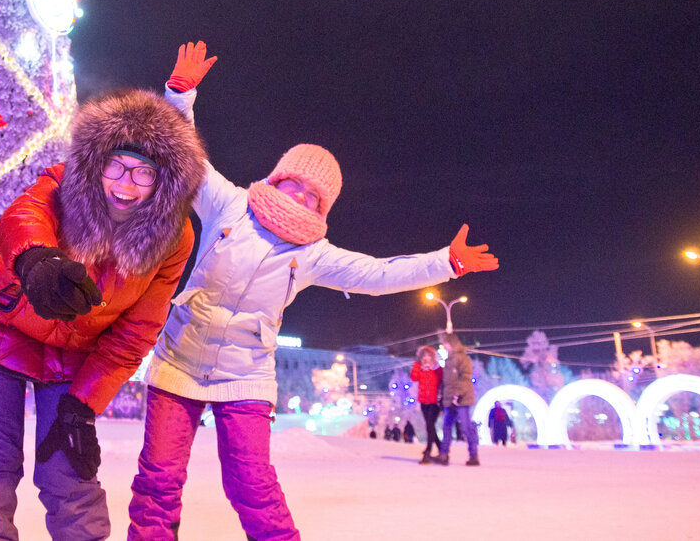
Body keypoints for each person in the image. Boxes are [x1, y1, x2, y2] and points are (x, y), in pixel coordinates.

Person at [127, 42, 500, 540]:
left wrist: (445, 263)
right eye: (296, 185)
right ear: (279, 178)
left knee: (252, 487)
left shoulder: (314, 254)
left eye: (314, 196)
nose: (301, 198)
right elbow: (183, 155)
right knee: (159, 481)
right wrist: (180, 94)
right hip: (178, 361)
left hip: (246, 379)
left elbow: (378, 274)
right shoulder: (228, 205)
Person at [0, 88, 207, 541]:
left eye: (144, 173)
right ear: (97, 162)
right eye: (116, 166)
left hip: (74, 357)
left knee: (68, 474)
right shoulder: (65, 182)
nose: (125, 186)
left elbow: (136, 332)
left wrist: (82, 405)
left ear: (164, 181)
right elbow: (22, 214)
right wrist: (37, 262)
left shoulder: (174, 236)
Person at [432, 331, 480, 466]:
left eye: (446, 343)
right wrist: (442, 396)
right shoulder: (448, 360)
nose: (444, 346)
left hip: (462, 399)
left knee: (466, 427)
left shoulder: (463, 358)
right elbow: (447, 381)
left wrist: (458, 394)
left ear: (451, 343)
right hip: (449, 400)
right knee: (446, 427)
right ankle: (443, 455)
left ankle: (474, 456)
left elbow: (465, 378)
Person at [411, 345, 444, 464]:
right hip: (424, 402)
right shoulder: (420, 368)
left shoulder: (437, 369)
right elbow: (413, 377)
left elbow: (442, 380)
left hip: (434, 402)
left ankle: (428, 451)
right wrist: (417, 364)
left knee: (430, 426)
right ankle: (441, 449)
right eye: (423, 355)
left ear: (432, 357)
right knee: (430, 427)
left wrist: (435, 367)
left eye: (428, 355)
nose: (426, 358)